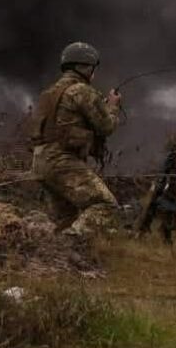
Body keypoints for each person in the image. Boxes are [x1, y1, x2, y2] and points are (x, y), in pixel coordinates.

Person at [29, 42, 122, 237]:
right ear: (86, 67)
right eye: (93, 68)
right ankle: (71, 245)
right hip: (62, 160)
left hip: (41, 162)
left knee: (66, 218)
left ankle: (60, 260)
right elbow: (106, 127)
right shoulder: (82, 90)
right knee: (105, 205)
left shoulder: (49, 93)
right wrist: (112, 106)